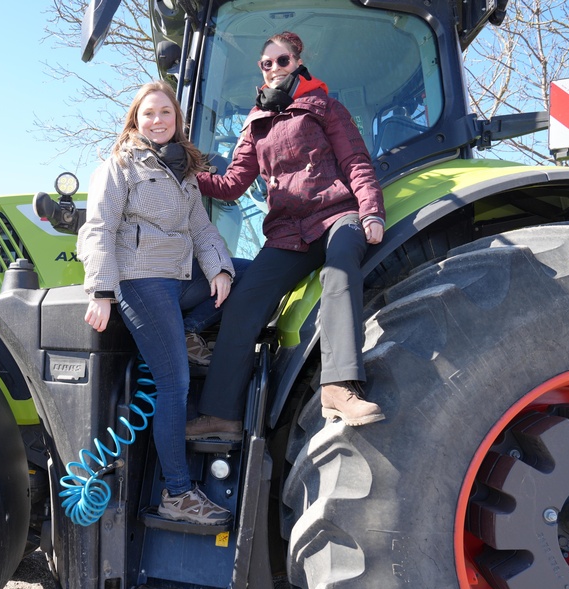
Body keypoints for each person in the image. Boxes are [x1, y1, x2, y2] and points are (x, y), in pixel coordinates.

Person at [186, 31, 386, 439]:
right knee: (244, 301)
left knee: (341, 266)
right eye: (266, 63)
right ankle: (223, 414)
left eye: (282, 60)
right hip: (287, 233)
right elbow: (231, 184)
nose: (273, 68)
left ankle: (338, 386)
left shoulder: (324, 108)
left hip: (334, 215)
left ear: (297, 63)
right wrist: (187, 175)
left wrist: (370, 212)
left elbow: (355, 161)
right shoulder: (256, 123)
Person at [77, 81, 237, 525]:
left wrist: (220, 269)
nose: (157, 120)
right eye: (149, 113)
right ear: (136, 119)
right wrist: (103, 292)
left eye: (165, 112)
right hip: (141, 282)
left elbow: (203, 233)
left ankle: (187, 333)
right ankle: (178, 494)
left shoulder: (183, 174)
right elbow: (98, 229)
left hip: (179, 278)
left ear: (176, 120)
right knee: (174, 384)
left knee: (247, 273)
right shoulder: (120, 165)